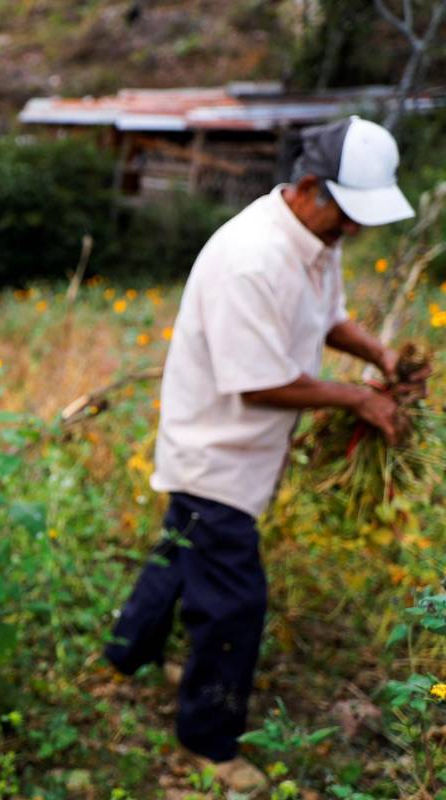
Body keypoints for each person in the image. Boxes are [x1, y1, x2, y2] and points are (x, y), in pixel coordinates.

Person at [104, 116, 425, 792]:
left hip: (240, 452)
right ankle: (209, 743)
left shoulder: (314, 236)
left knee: (181, 547)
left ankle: (127, 653)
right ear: (309, 186)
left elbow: (325, 315)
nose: (354, 232)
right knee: (234, 605)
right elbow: (257, 382)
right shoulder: (251, 256)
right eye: (347, 216)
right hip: (216, 450)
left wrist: (378, 355)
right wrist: (360, 400)